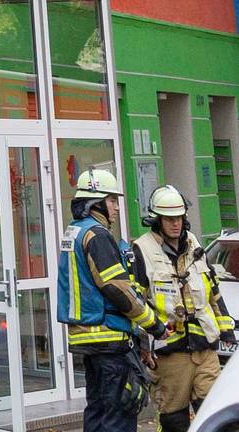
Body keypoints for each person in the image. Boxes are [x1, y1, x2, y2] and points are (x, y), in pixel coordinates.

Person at [61, 166, 161, 432]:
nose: (117, 207)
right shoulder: (98, 235)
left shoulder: (75, 232)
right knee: (119, 415)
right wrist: (153, 324)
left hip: (88, 340)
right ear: (96, 203)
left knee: (97, 412)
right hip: (110, 339)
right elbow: (117, 289)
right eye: (112, 200)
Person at [135, 185, 231, 432]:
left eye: (179, 218)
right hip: (170, 352)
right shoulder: (142, 250)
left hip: (204, 348)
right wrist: (144, 346)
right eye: (169, 219)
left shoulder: (194, 244)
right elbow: (136, 302)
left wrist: (226, 326)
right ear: (156, 220)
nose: (176, 224)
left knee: (213, 413)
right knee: (173, 419)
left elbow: (212, 288)